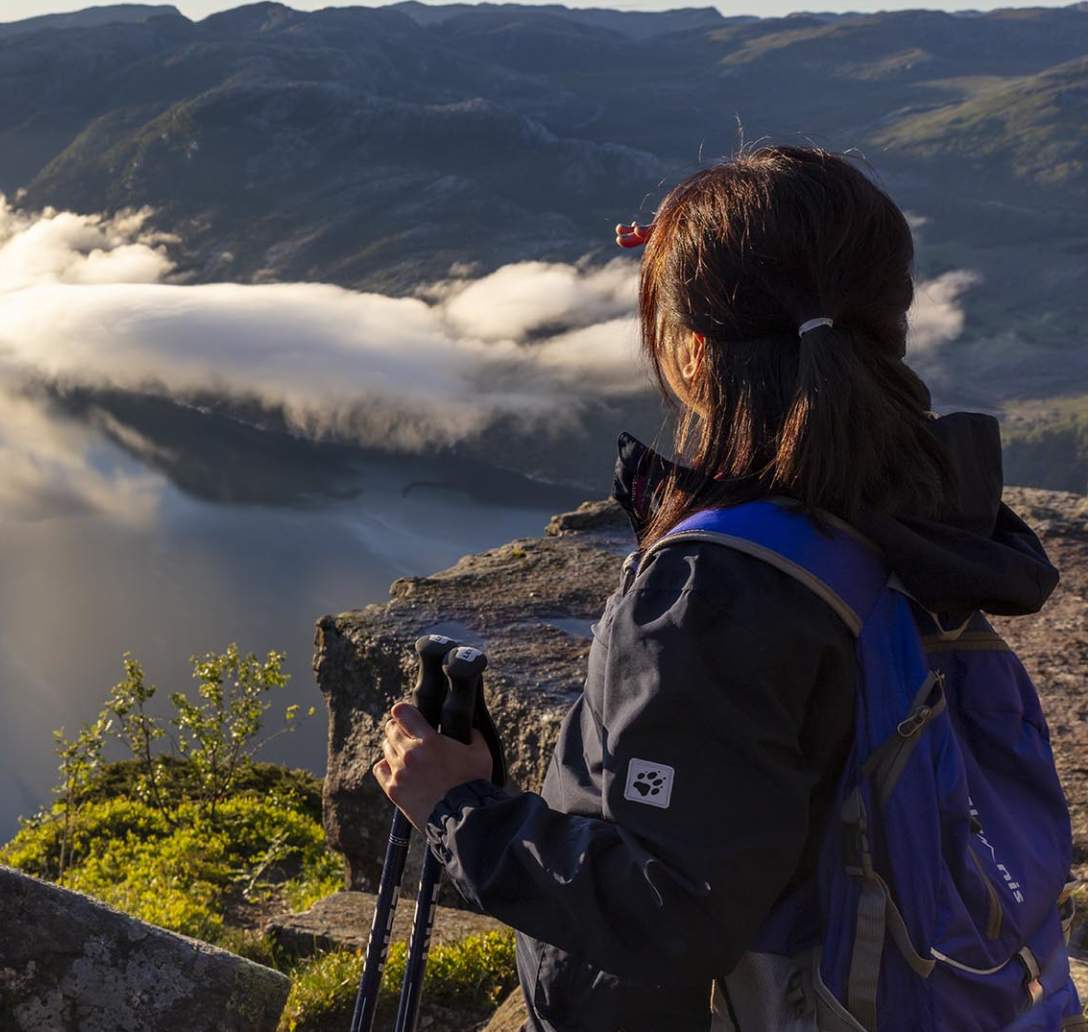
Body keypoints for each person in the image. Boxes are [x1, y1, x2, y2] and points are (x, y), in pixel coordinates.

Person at [373, 146, 1070, 1030]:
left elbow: (671, 909)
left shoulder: (728, 586)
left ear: (694, 356)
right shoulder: (921, 517)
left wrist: (457, 809)